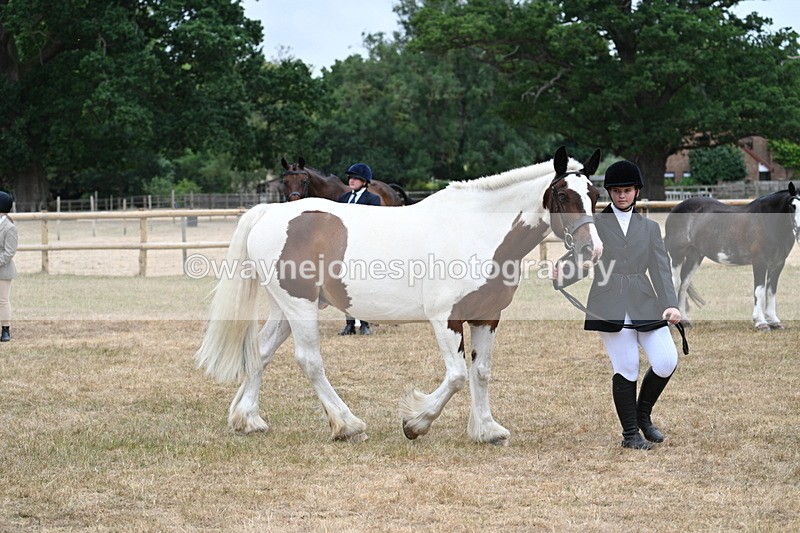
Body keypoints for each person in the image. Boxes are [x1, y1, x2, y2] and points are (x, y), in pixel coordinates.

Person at [585, 161, 682, 450]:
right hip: (609, 299)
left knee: (666, 361)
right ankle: (630, 435)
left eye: (627, 190)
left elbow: (661, 268)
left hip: (644, 298)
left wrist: (671, 304)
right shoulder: (596, 225)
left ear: (636, 191)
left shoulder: (650, 228)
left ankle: (643, 415)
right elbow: (580, 258)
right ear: (609, 193)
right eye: (616, 191)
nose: (622, 196)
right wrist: (562, 272)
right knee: (626, 366)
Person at [337, 163, 380, 335]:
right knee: (345, 285)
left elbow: (373, 224)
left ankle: (365, 323)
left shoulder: (372, 199)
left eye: (355, 178)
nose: (351, 180)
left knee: (362, 285)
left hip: (364, 245)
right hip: (345, 247)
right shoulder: (343, 198)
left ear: (364, 181)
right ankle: (349, 323)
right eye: (350, 177)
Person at [0, 191, 17, 342]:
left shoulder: (9, 227)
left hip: (3, 270)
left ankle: (5, 329)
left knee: (3, 300)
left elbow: (9, 252)